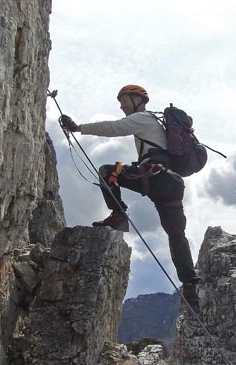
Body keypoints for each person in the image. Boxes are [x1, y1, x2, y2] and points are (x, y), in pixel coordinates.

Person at [59, 84, 200, 304]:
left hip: (155, 175)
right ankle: (190, 284)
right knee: (176, 235)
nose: (122, 106)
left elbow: (114, 128)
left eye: (125, 100)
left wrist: (78, 128)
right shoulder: (153, 124)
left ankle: (118, 214)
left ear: (138, 100)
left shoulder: (143, 118)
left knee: (108, 171)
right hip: (171, 184)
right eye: (121, 102)